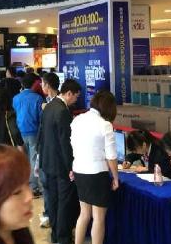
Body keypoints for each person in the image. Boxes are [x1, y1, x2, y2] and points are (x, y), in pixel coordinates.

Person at [71, 91, 119, 244]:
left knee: (84, 214)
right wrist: (116, 178)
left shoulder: (77, 120)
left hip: (79, 170)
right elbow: (111, 156)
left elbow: (72, 145)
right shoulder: (105, 125)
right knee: (98, 217)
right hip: (97, 173)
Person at [38, 79, 82, 244]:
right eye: (76, 97)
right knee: (64, 202)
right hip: (60, 165)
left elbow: (42, 136)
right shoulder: (63, 111)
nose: (75, 100)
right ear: (69, 93)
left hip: (48, 162)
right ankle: (63, 237)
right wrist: (71, 166)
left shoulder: (49, 106)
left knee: (54, 200)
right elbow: (65, 142)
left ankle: (56, 235)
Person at [12, 74, 43, 196]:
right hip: (34, 132)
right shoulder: (38, 98)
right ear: (34, 84)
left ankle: (22, 185)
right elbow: (41, 118)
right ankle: (33, 187)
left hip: (19, 133)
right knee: (34, 159)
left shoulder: (16, 98)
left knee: (22, 160)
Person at [38, 71, 61, 228]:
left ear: (47, 85)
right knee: (46, 186)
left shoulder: (59, 105)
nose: (41, 86)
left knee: (52, 188)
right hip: (45, 151)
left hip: (54, 155)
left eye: (42, 83)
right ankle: (48, 214)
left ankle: (53, 217)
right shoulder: (46, 102)